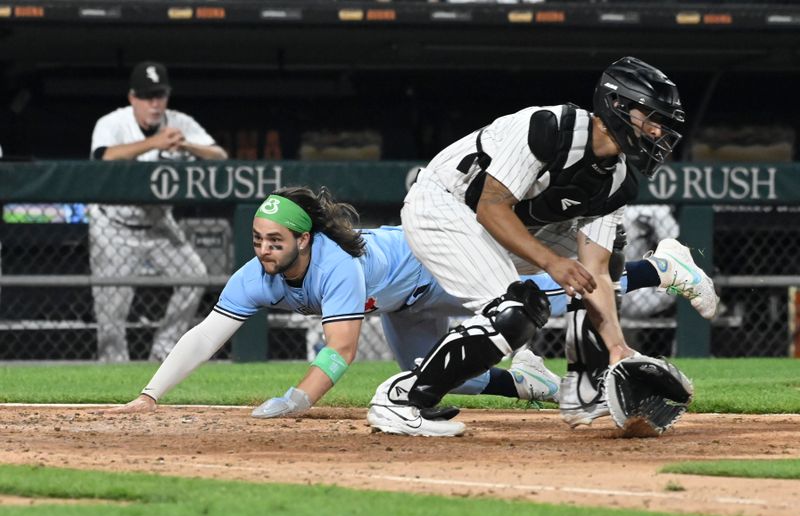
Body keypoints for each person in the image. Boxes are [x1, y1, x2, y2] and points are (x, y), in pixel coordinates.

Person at [106, 187, 715, 423]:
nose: (265, 249)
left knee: (558, 291)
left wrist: (296, 402)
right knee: (437, 377)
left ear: (304, 239)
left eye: (277, 240)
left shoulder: (335, 265)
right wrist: (150, 394)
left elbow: (341, 352)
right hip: (403, 305)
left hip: (433, 267)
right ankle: (530, 384)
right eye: (259, 240)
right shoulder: (255, 274)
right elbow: (204, 335)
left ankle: (663, 266)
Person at [365, 56, 714, 437]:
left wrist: (618, 347)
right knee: (512, 313)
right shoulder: (550, 127)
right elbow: (490, 205)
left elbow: (594, 273)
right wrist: (551, 262)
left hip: (515, 222)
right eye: (652, 118)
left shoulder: (619, 183)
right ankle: (400, 399)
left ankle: (590, 373)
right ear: (618, 105)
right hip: (445, 202)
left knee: (584, 276)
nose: (658, 131)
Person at [89, 61, 227, 362]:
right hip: (113, 225)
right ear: (132, 98)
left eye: (160, 95)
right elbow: (103, 158)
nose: (154, 103)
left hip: (158, 224)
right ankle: (113, 371)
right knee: (111, 313)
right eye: (147, 96)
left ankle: (163, 351)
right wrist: (154, 142)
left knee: (195, 277)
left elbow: (219, 156)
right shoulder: (112, 123)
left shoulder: (179, 122)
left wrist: (188, 145)